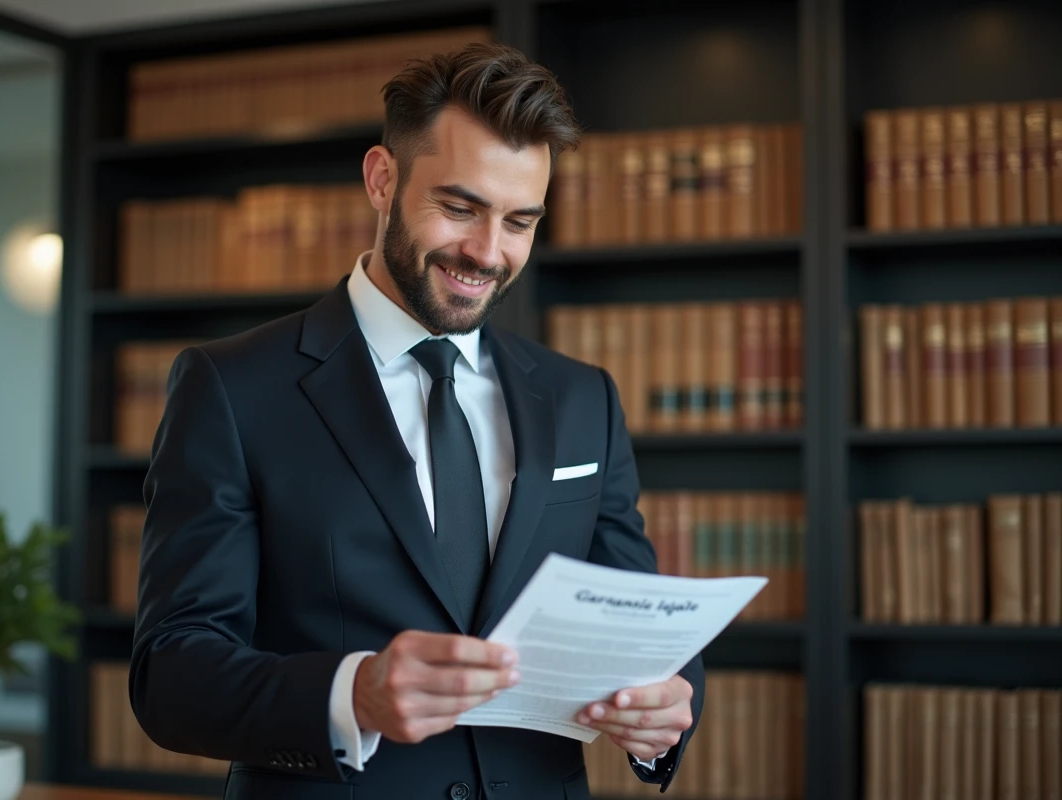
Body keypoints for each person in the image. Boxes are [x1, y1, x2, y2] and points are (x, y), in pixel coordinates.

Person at [130, 40, 704, 800]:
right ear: (382, 179)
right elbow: (171, 671)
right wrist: (354, 694)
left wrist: (670, 702)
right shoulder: (232, 387)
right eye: (459, 208)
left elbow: (637, 618)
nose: (487, 253)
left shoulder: (582, 397)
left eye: (520, 221)